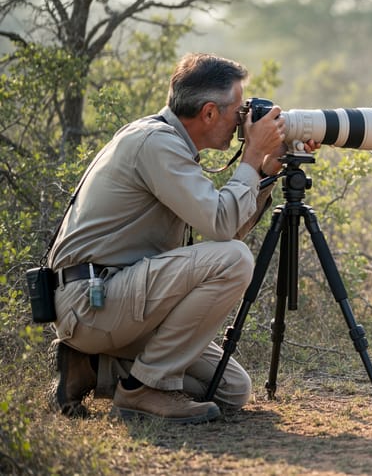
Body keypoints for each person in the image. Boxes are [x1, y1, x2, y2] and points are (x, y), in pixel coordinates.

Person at [48, 52, 318, 424]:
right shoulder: (156, 143)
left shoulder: (169, 142)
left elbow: (229, 227)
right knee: (235, 259)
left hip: (119, 300)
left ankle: (93, 367)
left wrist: (265, 168)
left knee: (232, 388)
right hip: (93, 302)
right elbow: (224, 232)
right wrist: (251, 153)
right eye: (239, 111)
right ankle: (144, 389)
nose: (244, 120)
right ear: (209, 113)